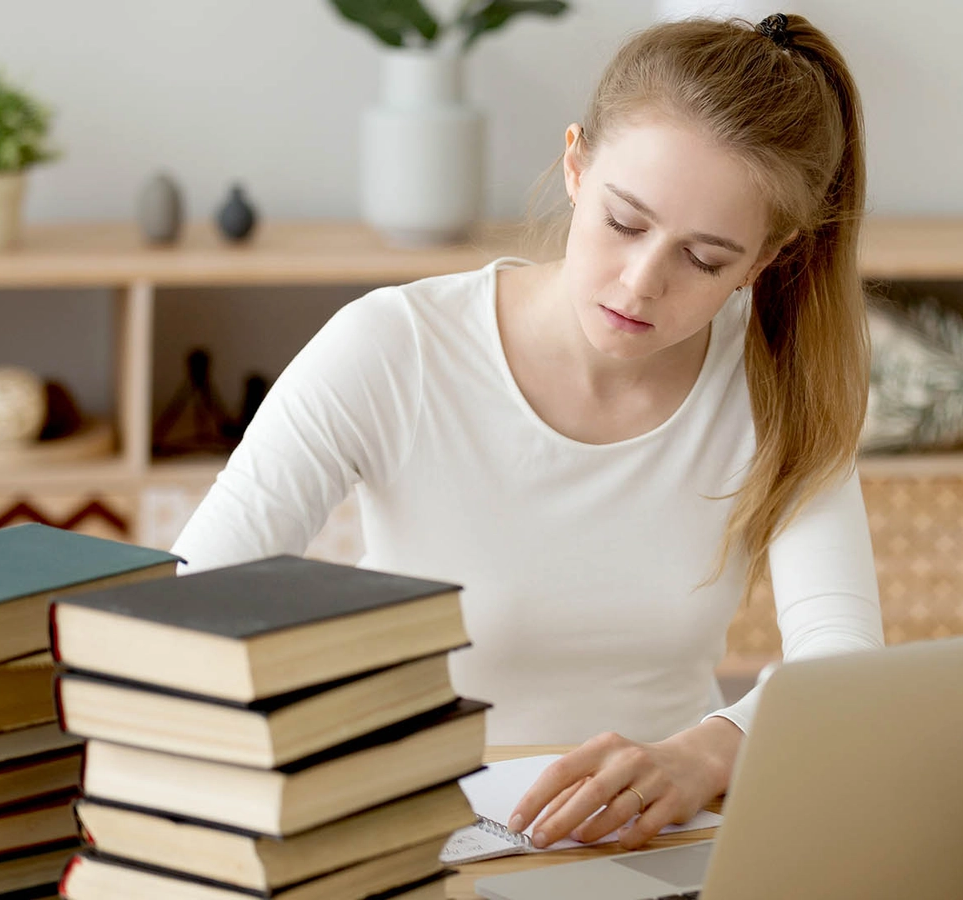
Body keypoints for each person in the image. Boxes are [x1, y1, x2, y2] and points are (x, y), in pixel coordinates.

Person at [170, 12, 884, 852]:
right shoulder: (397, 346)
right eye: (625, 222)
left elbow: (843, 666)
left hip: (660, 840)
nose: (641, 282)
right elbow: (189, 599)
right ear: (576, 164)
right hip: (420, 831)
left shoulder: (776, 385)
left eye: (705, 259)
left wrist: (709, 750)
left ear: (766, 259)